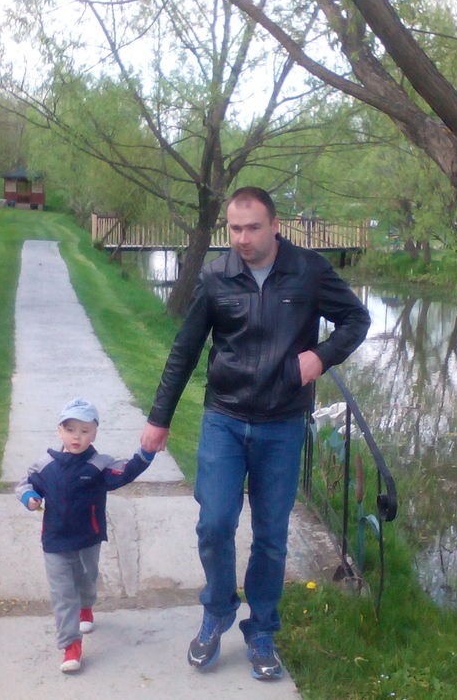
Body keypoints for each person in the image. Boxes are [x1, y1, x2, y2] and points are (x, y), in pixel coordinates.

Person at [140, 186, 370, 680]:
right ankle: (218, 609)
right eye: (235, 229)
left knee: (270, 536)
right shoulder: (216, 275)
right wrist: (160, 417)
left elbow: (356, 318)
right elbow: (185, 349)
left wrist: (322, 356)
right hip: (224, 417)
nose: (243, 238)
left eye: (252, 228)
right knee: (214, 523)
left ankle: (262, 629)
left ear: (275, 225)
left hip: (282, 423)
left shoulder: (308, 270)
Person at [16, 397, 155, 673]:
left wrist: (146, 453)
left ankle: (86, 608)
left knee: (86, 580)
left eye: (84, 430)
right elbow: (26, 484)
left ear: (94, 433)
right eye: (70, 429)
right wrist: (29, 497)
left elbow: (125, 471)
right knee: (62, 594)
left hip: (88, 538)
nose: (76, 436)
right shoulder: (46, 464)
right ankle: (71, 646)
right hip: (55, 541)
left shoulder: (99, 465)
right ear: (59, 431)